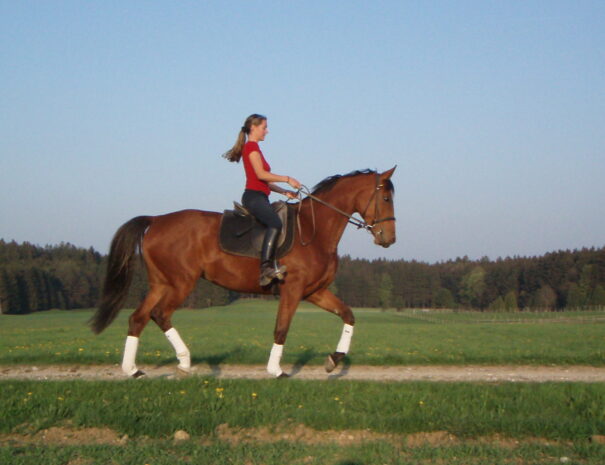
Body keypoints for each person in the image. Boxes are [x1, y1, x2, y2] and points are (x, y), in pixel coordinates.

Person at [223, 114, 301, 286]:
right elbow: (260, 174)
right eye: (264, 127)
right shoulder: (251, 148)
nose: (267, 131)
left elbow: (264, 181)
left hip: (260, 195)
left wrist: (284, 192)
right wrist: (287, 178)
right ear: (253, 128)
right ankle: (265, 268)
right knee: (275, 223)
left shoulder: (255, 148)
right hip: (253, 197)